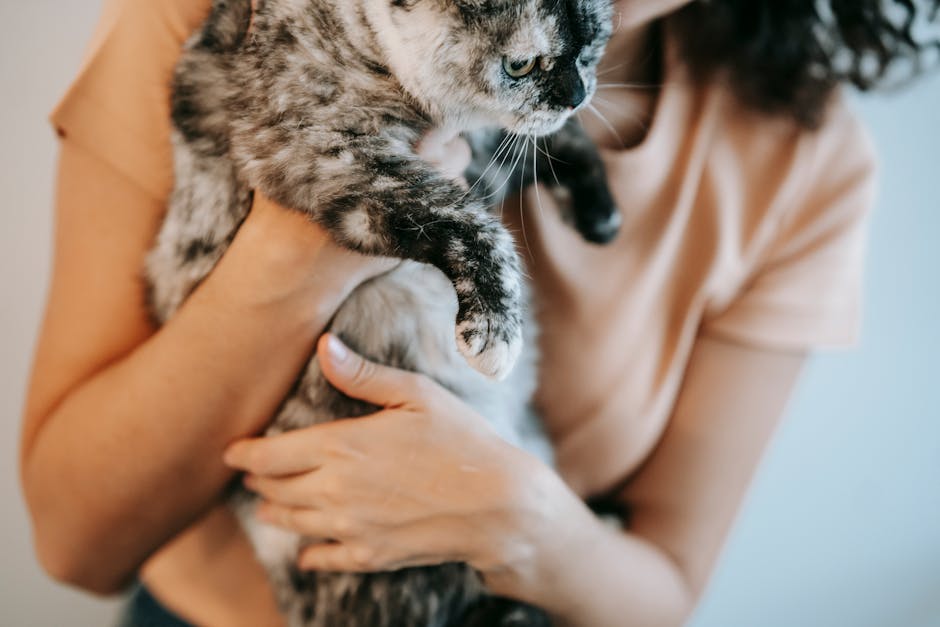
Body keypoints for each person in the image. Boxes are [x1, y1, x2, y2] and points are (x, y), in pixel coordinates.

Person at [19, 1, 936, 626]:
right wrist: (306, 247)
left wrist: (523, 521)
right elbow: (74, 533)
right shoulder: (245, 16)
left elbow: (663, 589)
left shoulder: (806, 161)